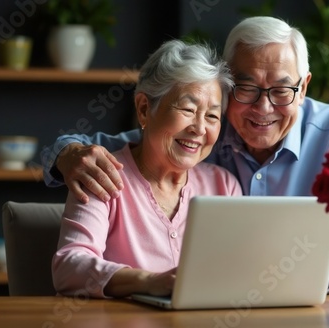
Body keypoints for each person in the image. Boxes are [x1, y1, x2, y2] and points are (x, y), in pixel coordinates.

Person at [43, 16, 329, 293]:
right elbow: (114, 148)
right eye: (247, 88)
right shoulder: (180, 143)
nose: (263, 108)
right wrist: (67, 153)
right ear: (231, 87)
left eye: (281, 89)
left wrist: (317, 276)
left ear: (303, 88)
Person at [51, 39, 243, 298]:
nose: (199, 129)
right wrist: (149, 282)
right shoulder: (101, 174)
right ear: (144, 109)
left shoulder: (224, 186)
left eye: (212, 116)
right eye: (187, 109)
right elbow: (69, 266)